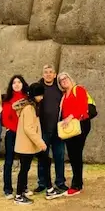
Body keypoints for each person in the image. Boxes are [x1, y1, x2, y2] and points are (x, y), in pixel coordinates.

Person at [13, 82, 65, 205]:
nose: (42, 97)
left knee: (45, 162)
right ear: (35, 95)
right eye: (40, 95)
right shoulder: (29, 108)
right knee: (24, 169)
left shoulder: (31, 106)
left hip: (32, 145)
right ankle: (19, 196)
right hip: (28, 145)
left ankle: (50, 189)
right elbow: (29, 129)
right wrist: (41, 142)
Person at [34, 64, 68, 194]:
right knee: (43, 157)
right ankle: (42, 183)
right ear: (43, 74)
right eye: (46, 72)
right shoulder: (38, 87)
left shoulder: (59, 89)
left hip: (58, 130)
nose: (48, 74)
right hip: (43, 129)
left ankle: (60, 182)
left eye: (51, 72)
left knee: (59, 156)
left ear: (55, 74)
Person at [57, 72, 92, 197]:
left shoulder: (79, 89)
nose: (64, 81)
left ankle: (76, 185)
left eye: (65, 78)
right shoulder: (63, 95)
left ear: (70, 78)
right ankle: (78, 183)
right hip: (69, 128)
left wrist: (70, 117)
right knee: (73, 155)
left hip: (79, 125)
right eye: (61, 80)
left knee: (76, 154)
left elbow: (83, 107)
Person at [1, 75, 32, 199]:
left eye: (19, 82)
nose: (17, 84)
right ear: (11, 85)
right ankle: (8, 189)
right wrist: (16, 129)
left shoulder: (28, 99)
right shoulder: (8, 100)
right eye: (14, 82)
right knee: (9, 161)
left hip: (25, 133)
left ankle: (23, 187)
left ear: (23, 84)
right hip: (13, 133)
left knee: (25, 161)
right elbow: (5, 119)